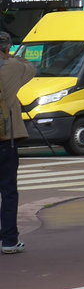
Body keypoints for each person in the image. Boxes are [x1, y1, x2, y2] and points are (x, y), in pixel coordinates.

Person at [0, 29, 36, 254]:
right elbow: (31, 68)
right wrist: (10, 56)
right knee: (8, 191)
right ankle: (9, 240)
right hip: (5, 138)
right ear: (7, 48)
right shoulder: (13, 66)